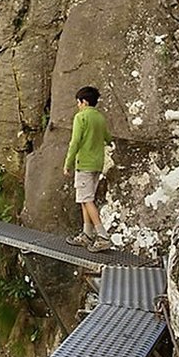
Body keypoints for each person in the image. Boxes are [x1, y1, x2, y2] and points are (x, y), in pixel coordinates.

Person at [63, 86, 112, 252]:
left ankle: (102, 235)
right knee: (85, 198)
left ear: (84, 101)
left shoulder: (81, 117)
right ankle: (87, 233)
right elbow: (107, 137)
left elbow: (75, 141)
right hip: (97, 164)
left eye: (78, 102)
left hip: (83, 164)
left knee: (87, 199)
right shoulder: (100, 117)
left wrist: (67, 163)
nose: (78, 105)